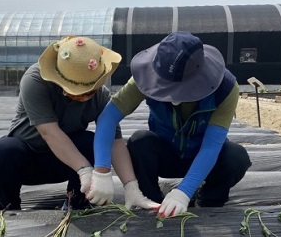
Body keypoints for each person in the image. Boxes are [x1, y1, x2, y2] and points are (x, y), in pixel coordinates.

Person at [0, 36, 157, 211]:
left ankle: (76, 202)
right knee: (1, 152)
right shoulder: (36, 80)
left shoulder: (100, 96)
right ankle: (8, 203)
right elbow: (49, 133)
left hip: (65, 162)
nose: (82, 97)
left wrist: (131, 187)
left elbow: (115, 142)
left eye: (88, 91)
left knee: (90, 142)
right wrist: (85, 171)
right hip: (29, 157)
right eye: (74, 91)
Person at [89, 31, 252, 217]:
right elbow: (108, 118)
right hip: (166, 153)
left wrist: (184, 191)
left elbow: (211, 147)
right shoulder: (145, 78)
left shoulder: (225, 88)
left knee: (235, 156)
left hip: (202, 157)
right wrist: (102, 170)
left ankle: (207, 203)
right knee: (140, 141)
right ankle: (151, 202)